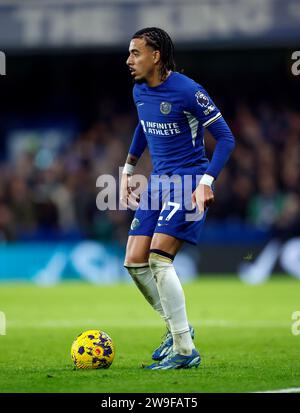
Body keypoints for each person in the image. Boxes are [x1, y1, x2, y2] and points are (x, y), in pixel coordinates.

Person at [121, 27, 235, 370]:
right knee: (134, 260)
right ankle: (177, 329)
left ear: (155, 56)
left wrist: (206, 182)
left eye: (135, 53)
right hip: (158, 183)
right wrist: (128, 166)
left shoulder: (189, 92)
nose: (129, 60)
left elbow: (226, 139)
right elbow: (145, 124)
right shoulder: (139, 90)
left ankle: (185, 350)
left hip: (187, 182)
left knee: (158, 259)